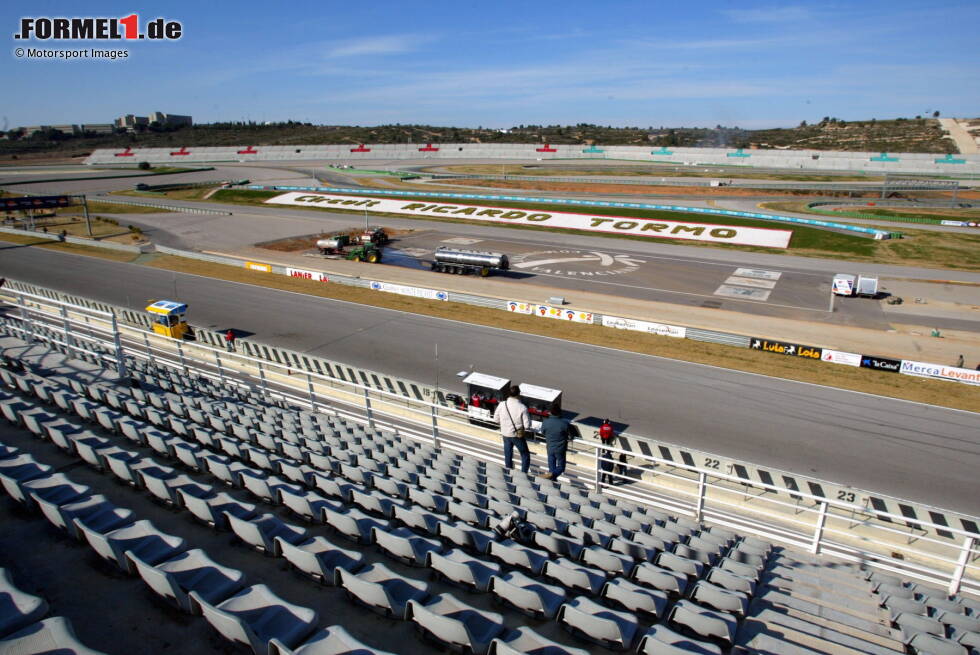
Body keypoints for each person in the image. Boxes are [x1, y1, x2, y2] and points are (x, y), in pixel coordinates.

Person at [493, 385, 531, 473]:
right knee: (525, 454)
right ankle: (523, 473)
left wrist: (505, 424)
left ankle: (508, 472)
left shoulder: (502, 404)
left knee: (508, 454)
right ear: (518, 394)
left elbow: (496, 419)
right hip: (517, 435)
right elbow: (527, 425)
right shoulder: (522, 407)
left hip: (505, 434)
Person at [541, 401, 571, 480]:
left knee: (551, 468)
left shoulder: (546, 422)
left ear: (550, 412)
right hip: (560, 449)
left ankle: (551, 477)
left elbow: (543, 432)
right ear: (559, 412)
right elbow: (571, 436)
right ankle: (551, 476)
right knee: (561, 467)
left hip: (550, 448)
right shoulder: (564, 423)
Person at [597, 419, 616, 485]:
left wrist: (602, 436)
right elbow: (611, 433)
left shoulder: (602, 426)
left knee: (603, 443)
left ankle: (603, 450)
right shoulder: (610, 427)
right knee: (607, 444)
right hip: (608, 437)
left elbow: (601, 432)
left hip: (603, 436)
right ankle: (611, 482)